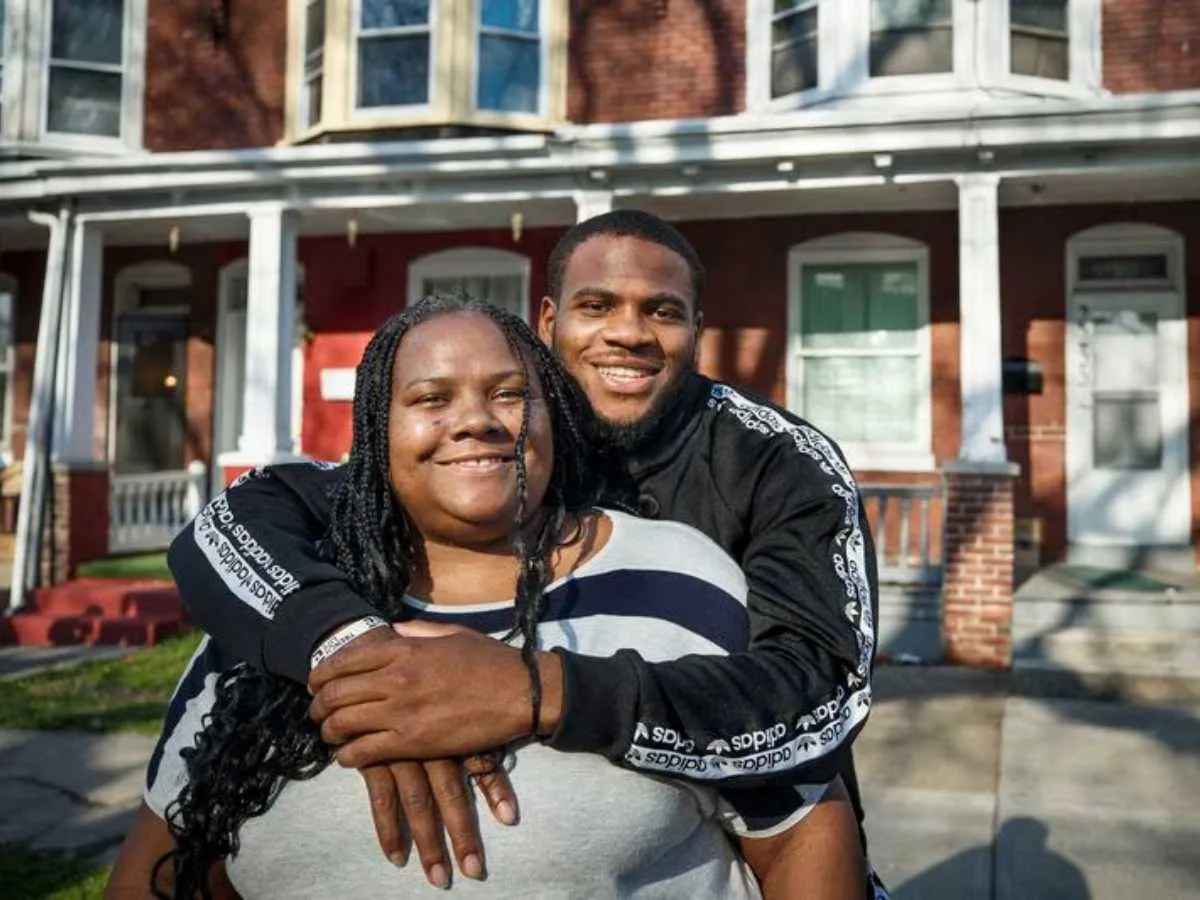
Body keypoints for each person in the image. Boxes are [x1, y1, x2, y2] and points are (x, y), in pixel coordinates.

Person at [165, 211, 885, 896]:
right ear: (549, 321)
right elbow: (235, 526)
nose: (628, 333)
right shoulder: (494, 443)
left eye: (662, 311)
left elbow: (821, 695)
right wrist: (366, 661)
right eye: (597, 305)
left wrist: (534, 692)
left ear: (697, 328)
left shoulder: (780, 463)